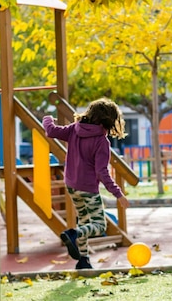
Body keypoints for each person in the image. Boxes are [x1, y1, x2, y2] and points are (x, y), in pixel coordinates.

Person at [43, 98, 129, 269]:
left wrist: (47, 118)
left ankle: (84, 260)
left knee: (84, 221)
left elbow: (51, 131)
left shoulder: (74, 129)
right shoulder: (102, 142)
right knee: (98, 225)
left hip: (71, 185)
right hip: (88, 189)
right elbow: (102, 172)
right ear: (110, 121)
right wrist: (118, 194)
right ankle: (74, 234)